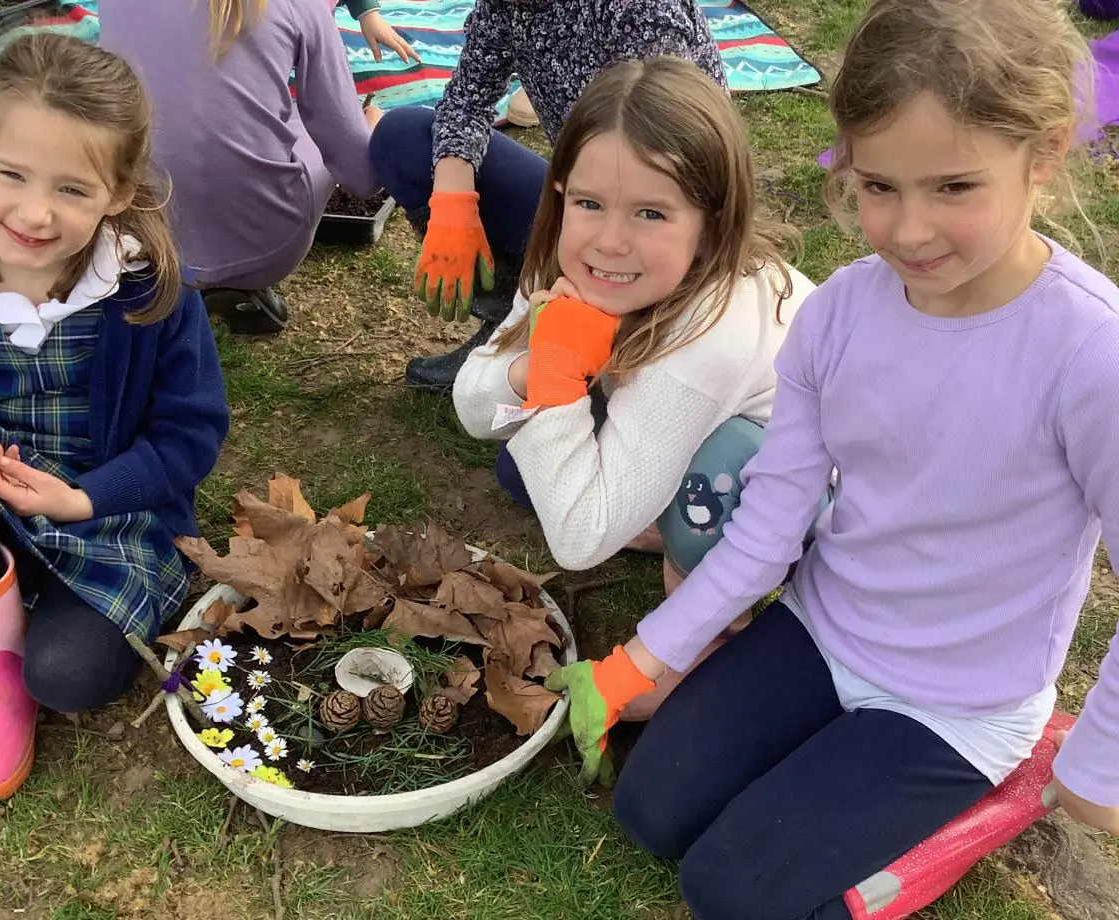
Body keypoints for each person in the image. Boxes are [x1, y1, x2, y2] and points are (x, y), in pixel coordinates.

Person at [546, 1, 1119, 917]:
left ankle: (1009, 782)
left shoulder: (1091, 355)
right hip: (825, 629)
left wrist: (1103, 760)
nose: (909, 230)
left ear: (1043, 155)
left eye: (954, 188)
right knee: (651, 808)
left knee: (730, 889)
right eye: (879, 186)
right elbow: (768, 527)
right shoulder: (839, 315)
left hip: (961, 706)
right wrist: (640, 661)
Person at [454, 56, 817, 718]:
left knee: (719, 471)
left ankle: (710, 632)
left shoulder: (712, 335)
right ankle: (658, 516)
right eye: (589, 203)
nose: (611, 241)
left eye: (651, 213)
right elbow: (474, 404)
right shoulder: (572, 255)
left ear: (711, 224)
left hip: (818, 493)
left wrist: (558, 379)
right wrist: (532, 365)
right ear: (562, 193)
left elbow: (579, 540)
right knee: (521, 466)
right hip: (687, 419)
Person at [0, 33, 229, 805]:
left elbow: (190, 435)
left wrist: (81, 498)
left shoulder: (150, 297)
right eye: (12, 175)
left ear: (119, 193)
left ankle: (5, 626)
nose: (34, 213)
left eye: (72, 190)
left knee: (70, 676)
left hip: (104, 516)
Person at [369, 0, 727, 392]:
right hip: (586, 199)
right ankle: (512, 322)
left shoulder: (638, 7)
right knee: (403, 139)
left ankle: (604, 349)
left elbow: (670, 155)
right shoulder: (506, 5)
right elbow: (467, 101)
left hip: (661, 221)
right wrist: (453, 207)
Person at [100, 0, 393, 334]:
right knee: (307, 126)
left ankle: (183, 281)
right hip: (265, 247)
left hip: (138, 241)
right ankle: (232, 281)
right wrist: (372, 128)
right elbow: (360, 173)